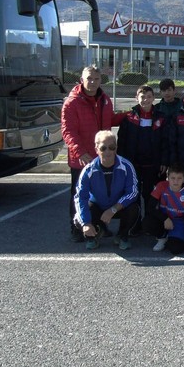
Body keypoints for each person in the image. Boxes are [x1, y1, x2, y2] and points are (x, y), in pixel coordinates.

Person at [62, 65, 117, 242]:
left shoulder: (105, 100)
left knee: (101, 195)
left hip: (102, 158)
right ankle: (77, 229)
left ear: (101, 80)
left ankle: (100, 226)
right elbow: (68, 131)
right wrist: (80, 153)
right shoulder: (71, 103)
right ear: (82, 80)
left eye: (96, 79)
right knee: (79, 195)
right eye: (89, 78)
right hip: (82, 159)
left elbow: (111, 119)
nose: (92, 82)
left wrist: (132, 114)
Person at [73, 130, 139, 251]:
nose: (108, 152)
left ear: (116, 148)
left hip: (117, 207)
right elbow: (80, 197)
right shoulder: (88, 170)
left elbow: (133, 192)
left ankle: (122, 235)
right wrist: (86, 223)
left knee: (134, 208)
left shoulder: (126, 166)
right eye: (103, 148)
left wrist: (113, 209)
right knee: (78, 218)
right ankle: (94, 235)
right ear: (96, 149)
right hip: (97, 206)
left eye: (111, 147)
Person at [117, 85, 169, 227]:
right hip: (133, 165)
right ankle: (135, 225)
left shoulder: (161, 118)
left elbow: (166, 141)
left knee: (149, 195)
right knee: (134, 195)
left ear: (153, 98)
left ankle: (149, 224)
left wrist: (164, 161)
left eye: (149, 97)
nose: (145, 100)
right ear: (136, 98)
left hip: (153, 165)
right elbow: (122, 142)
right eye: (142, 97)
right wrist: (123, 163)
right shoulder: (129, 118)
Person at [145, 164, 184, 255]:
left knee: (176, 249)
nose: (176, 181)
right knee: (147, 223)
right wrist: (165, 219)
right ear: (167, 177)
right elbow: (150, 207)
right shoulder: (161, 186)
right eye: (173, 178)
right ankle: (162, 237)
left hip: (179, 222)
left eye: (179, 178)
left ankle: (173, 236)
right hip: (164, 219)